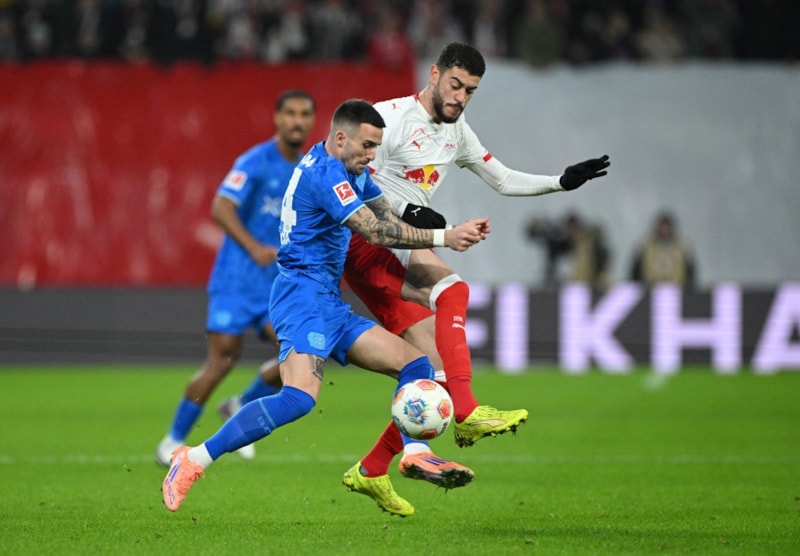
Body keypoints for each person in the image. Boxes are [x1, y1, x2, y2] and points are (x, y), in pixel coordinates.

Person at [219, 42, 611, 516]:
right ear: (435, 75)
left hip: (395, 244)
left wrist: (560, 182)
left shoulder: (458, 133)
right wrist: (414, 215)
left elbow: (503, 179)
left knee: (431, 370)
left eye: (471, 90)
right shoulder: (391, 118)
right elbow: (356, 177)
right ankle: (466, 412)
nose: (461, 97)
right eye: (456, 85)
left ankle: (374, 468)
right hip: (370, 242)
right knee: (453, 289)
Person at [161, 98, 489, 514]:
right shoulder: (325, 174)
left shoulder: (351, 171)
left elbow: (386, 214)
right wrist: (445, 237)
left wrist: (430, 221)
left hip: (328, 302)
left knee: (417, 366)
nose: (372, 155)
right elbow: (376, 232)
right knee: (299, 399)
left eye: (376, 146)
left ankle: (414, 453)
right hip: (300, 298)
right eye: (367, 146)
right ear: (340, 138)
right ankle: (192, 458)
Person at [154, 89, 316, 467]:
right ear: (277, 118)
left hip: (276, 285)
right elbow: (221, 207)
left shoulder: (306, 169)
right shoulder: (255, 161)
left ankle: (242, 402)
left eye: (304, 114)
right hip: (237, 281)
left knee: (300, 354)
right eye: (290, 113)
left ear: (311, 120)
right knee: (222, 360)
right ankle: (173, 439)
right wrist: (254, 247)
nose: (297, 121)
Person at [630, 211, 695, 287]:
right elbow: (635, 271)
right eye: (662, 228)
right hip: (650, 288)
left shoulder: (682, 248)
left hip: (676, 288)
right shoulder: (646, 247)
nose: (664, 231)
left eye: (667, 228)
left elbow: (690, 272)